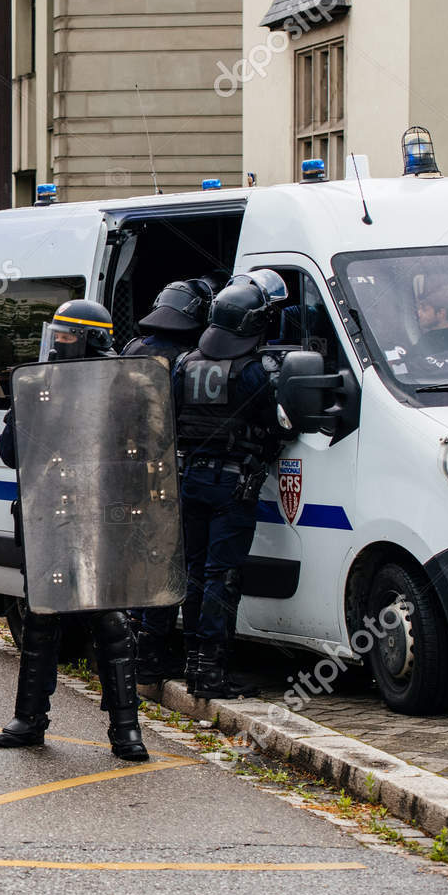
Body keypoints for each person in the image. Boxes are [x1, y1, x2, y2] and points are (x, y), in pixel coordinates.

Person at [0, 298, 150, 761]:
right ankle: (29, 719)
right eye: (55, 335)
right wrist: (27, 411)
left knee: (112, 621)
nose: (58, 345)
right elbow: (9, 452)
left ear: (91, 339)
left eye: (67, 336)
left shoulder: (125, 387)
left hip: (104, 517)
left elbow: (143, 456)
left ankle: (126, 729)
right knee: (42, 616)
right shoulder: (42, 384)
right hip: (51, 516)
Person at [173, 271, 293, 698]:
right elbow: (275, 426)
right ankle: (211, 673)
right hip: (232, 485)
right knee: (222, 577)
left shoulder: (185, 364)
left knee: (193, 572)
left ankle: (191, 664)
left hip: (190, 479)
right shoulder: (251, 371)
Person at [121, 277, 217, 684]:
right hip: (168, 476)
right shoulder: (187, 359)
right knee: (170, 565)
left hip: (127, 474)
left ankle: (131, 649)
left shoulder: (131, 351)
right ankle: (151, 655)